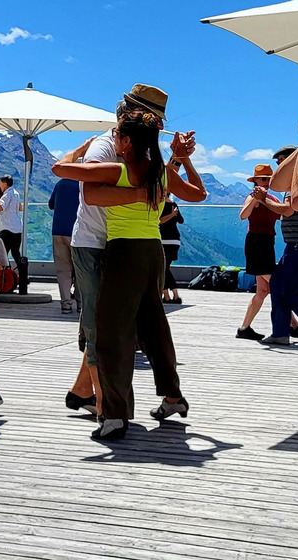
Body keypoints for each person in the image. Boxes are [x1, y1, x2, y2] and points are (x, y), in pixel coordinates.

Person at [52, 108, 207, 441]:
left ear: (125, 141)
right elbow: (199, 193)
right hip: (154, 255)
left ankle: (115, 415)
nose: (115, 142)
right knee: (154, 328)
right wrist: (183, 159)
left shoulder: (118, 170)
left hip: (124, 255)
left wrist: (80, 151)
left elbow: (59, 169)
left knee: (111, 337)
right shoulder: (161, 173)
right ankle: (173, 398)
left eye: (118, 137)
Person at [236, 164, 291, 340]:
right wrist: (255, 199)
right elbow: (243, 215)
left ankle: (244, 328)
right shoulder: (252, 197)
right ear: (255, 181)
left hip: (268, 242)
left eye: (269, 179)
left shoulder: (273, 199)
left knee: (262, 291)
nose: (266, 182)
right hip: (255, 243)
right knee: (276, 283)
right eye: (263, 179)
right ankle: (295, 324)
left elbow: (285, 213)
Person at [264, 124, 298, 345]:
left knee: (290, 290)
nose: (279, 165)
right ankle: (280, 332)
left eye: (282, 161)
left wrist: (263, 200)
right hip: (292, 244)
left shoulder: (297, 184)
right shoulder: (291, 185)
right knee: (277, 285)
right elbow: (275, 182)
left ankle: (281, 332)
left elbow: (289, 208)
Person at [49, 176, 81, 313]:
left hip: (58, 230)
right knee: (80, 269)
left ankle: (66, 304)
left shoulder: (60, 184)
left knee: (63, 270)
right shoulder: (82, 184)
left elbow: (51, 205)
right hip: (77, 232)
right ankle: (80, 304)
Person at [0, 175, 23, 282]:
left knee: (2, 255)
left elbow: (0, 207)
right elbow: (20, 208)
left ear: (5, 184)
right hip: (17, 227)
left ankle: (2, 279)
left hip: (7, 228)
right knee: (16, 253)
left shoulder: (7, 194)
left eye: (0, 183)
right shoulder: (16, 193)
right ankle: (23, 275)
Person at [159, 197, 184, 304]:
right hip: (175, 241)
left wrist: (170, 215)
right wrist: (174, 213)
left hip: (164, 240)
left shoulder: (158, 205)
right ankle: (171, 295)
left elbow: (158, 221)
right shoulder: (174, 205)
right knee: (165, 269)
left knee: (163, 269)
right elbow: (181, 220)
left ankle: (171, 296)